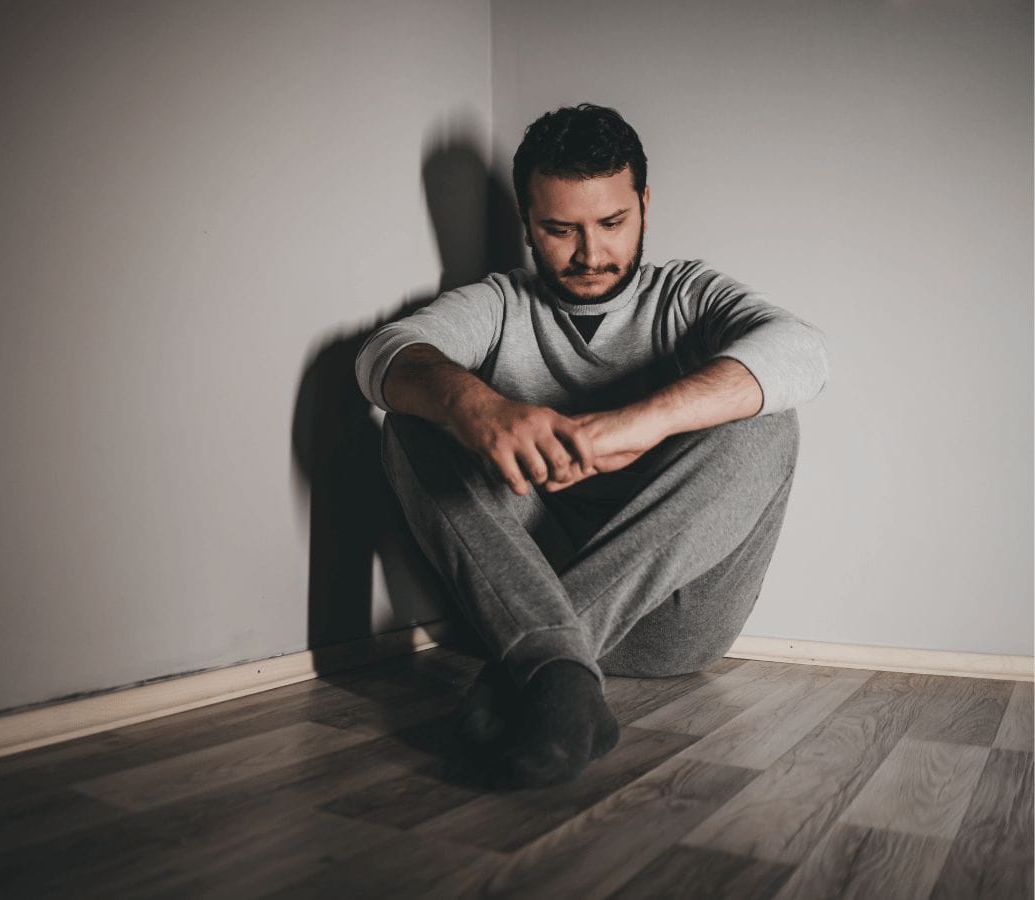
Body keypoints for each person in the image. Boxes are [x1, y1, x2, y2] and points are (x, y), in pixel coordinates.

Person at [354, 103, 828, 787]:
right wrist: (475, 407)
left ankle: (544, 668)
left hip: (667, 626)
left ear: (644, 203)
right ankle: (561, 681)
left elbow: (803, 350)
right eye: (558, 229)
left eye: (612, 223)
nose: (591, 253)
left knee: (767, 416)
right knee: (413, 415)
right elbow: (385, 352)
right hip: (520, 599)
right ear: (525, 222)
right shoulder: (499, 303)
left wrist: (646, 420)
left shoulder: (686, 296)